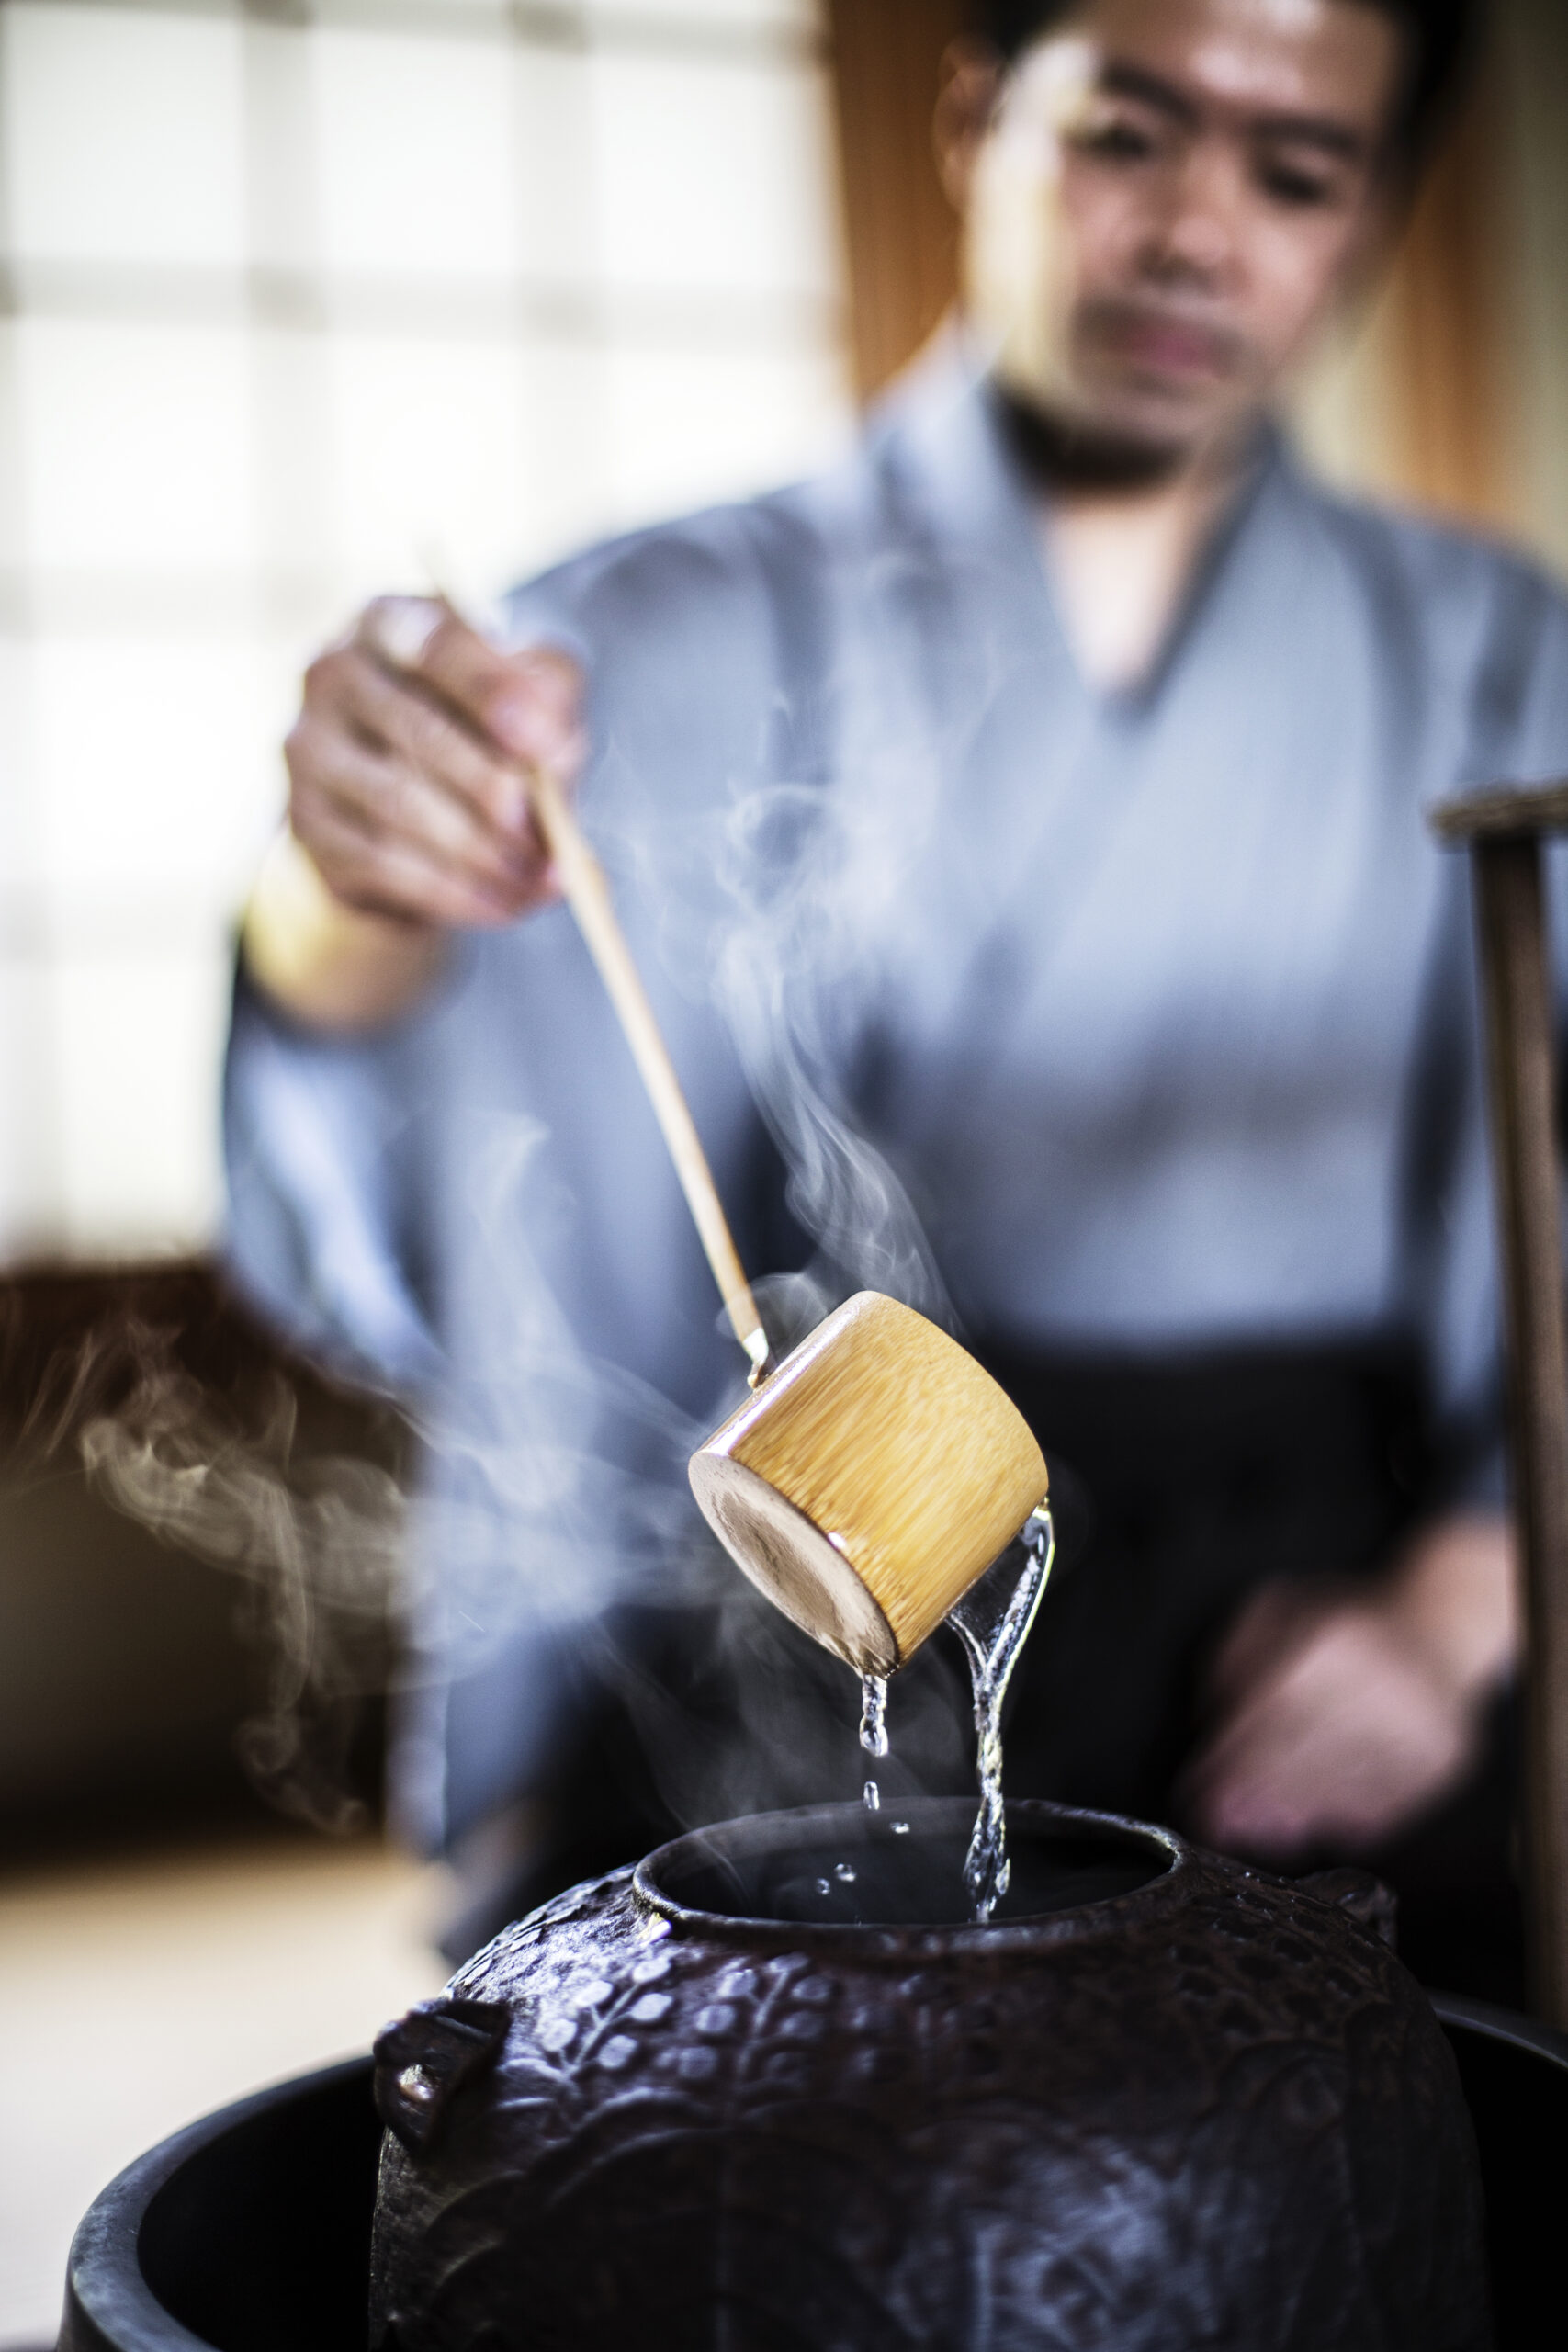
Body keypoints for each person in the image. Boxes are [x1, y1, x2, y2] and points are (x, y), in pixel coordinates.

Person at [229, 0, 1562, 1993]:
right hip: (795, 1585)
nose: (1195, 233)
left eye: (1292, 172)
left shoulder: (1495, 654)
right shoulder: (637, 633)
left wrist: (1461, 1606)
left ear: (1369, 215)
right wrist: (346, 891)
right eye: (1125, 133)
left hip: (1330, 1579)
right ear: (969, 117)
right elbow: (457, 1204)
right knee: (665, 2104)